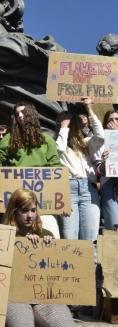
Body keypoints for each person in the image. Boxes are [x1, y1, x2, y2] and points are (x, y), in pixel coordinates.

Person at [3, 188, 83, 327]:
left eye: (33, 210)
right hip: (15, 297)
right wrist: (18, 246)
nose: (30, 215)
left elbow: (58, 273)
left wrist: (49, 249)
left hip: (44, 299)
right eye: (24, 211)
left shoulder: (46, 235)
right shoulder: (3, 235)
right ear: (13, 212)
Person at [0, 101, 61, 235]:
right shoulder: (9, 139)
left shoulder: (47, 140)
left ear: (32, 114)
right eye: (17, 113)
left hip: (44, 200)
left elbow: (56, 168)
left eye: (23, 112)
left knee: (50, 237)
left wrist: (62, 199)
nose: (20, 116)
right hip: (19, 201)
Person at [55, 97, 103, 243]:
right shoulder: (58, 142)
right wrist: (63, 128)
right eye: (66, 123)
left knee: (91, 238)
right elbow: (59, 150)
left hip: (88, 189)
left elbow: (100, 137)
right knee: (70, 238)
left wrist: (89, 109)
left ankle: (91, 266)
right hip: (68, 189)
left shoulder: (86, 143)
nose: (70, 126)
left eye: (71, 123)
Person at [94, 110, 118, 229]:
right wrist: (104, 163)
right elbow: (98, 172)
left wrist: (116, 135)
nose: (113, 122)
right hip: (110, 185)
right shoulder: (101, 142)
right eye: (110, 120)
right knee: (113, 227)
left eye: (116, 119)